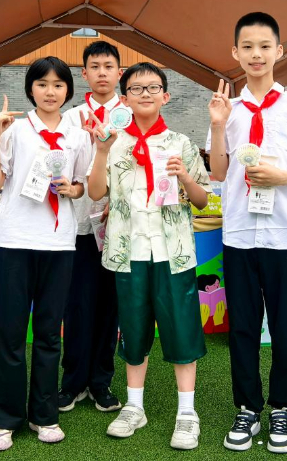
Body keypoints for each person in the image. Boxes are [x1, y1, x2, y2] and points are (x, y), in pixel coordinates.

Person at [207, 12, 287, 453]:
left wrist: (282, 177)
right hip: (239, 235)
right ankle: (247, 408)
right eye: (248, 47)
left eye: (265, 46)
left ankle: (281, 409)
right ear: (235, 52)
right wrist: (218, 126)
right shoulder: (227, 109)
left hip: (284, 234)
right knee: (243, 329)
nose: (257, 54)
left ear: (279, 51)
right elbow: (219, 172)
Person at [87, 62, 211, 450]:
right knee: (133, 329)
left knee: (181, 330)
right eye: (136, 88)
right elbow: (95, 192)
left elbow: (203, 201)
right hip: (129, 253)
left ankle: (187, 413)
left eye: (153, 87)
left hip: (173, 254)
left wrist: (185, 177)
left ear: (165, 96)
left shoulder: (181, 143)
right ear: (123, 99)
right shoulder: (113, 142)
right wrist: (101, 150)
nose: (145, 94)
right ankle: (134, 406)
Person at [0, 56, 92, 451]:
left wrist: (72, 190)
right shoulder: (14, 130)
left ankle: (44, 414)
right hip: (16, 241)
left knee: (48, 334)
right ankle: (3, 418)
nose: (50, 91)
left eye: (58, 85)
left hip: (59, 243)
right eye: (42, 84)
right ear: (30, 88)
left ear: (68, 90)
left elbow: (82, 184)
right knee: (11, 333)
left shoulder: (78, 135)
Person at [57, 41, 124, 413]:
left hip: (118, 229)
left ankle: (101, 382)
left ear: (119, 72)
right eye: (94, 66)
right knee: (77, 306)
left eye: (108, 66)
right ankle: (72, 382)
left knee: (109, 308)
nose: (102, 72)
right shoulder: (70, 118)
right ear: (84, 74)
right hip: (80, 228)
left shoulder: (129, 115)